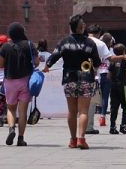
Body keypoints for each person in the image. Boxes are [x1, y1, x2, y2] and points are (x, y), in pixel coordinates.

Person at [43, 14, 102, 150]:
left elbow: (55, 55)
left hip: (69, 79)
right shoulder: (90, 43)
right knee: (83, 111)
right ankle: (82, 139)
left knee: (71, 111)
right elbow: (97, 62)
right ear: (81, 27)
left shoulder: (65, 42)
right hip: (86, 78)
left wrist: (47, 66)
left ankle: (72, 140)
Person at [0, 22, 38, 147]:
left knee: (10, 108)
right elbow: (36, 62)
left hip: (10, 81)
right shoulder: (28, 44)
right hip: (25, 81)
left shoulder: (5, 47)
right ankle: (21, 138)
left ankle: (11, 128)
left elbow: (1, 64)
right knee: (23, 112)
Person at [108, 43, 126, 134]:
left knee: (114, 107)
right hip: (124, 86)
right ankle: (123, 126)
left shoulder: (112, 61)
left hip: (114, 86)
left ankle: (112, 126)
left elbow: (109, 75)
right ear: (123, 51)